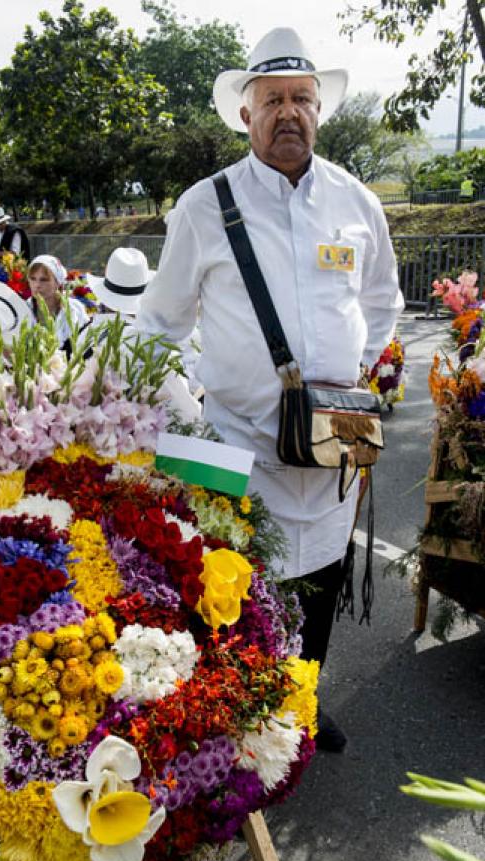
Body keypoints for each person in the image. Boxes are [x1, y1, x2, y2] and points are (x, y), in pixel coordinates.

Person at [136, 27, 404, 751]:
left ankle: (304, 703)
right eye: (273, 101)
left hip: (333, 436)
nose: (289, 113)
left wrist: (351, 376)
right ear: (246, 115)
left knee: (322, 570)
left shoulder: (355, 202)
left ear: (319, 112)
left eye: (302, 100)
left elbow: (383, 301)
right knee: (239, 586)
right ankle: (242, 719)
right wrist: (184, 414)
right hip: (236, 439)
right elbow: (157, 326)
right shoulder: (202, 205)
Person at [27, 255, 90, 354]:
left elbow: (87, 344)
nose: (37, 285)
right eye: (33, 279)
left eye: (44, 280)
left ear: (57, 282)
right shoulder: (24, 310)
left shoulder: (75, 309)